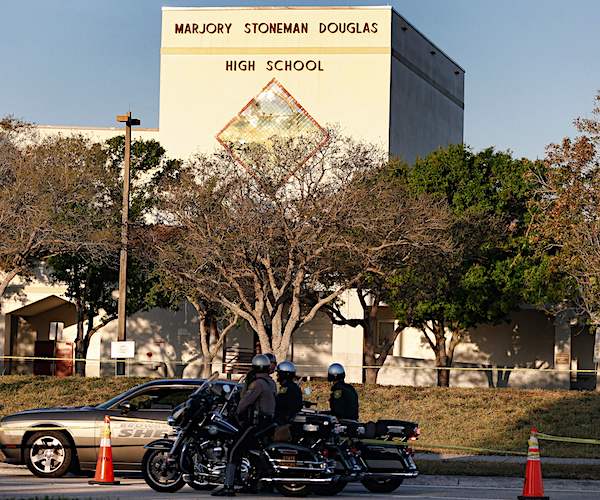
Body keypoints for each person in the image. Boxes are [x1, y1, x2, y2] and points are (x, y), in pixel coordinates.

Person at [212, 354, 276, 496]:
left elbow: (244, 403)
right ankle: (252, 484)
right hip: (266, 423)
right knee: (251, 452)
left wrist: (236, 412)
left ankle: (228, 486)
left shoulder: (257, 384)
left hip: (255, 424)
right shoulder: (270, 382)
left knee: (234, 450)